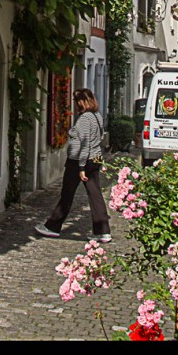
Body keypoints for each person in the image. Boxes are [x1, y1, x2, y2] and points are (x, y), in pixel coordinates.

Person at [35, 88, 112, 242]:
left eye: (76, 101)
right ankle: (103, 231)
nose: (75, 105)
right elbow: (98, 138)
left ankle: (53, 227)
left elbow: (84, 144)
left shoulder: (85, 119)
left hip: (79, 161)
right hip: (95, 159)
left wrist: (82, 167)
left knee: (67, 194)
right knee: (95, 195)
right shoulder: (97, 116)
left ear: (81, 102)